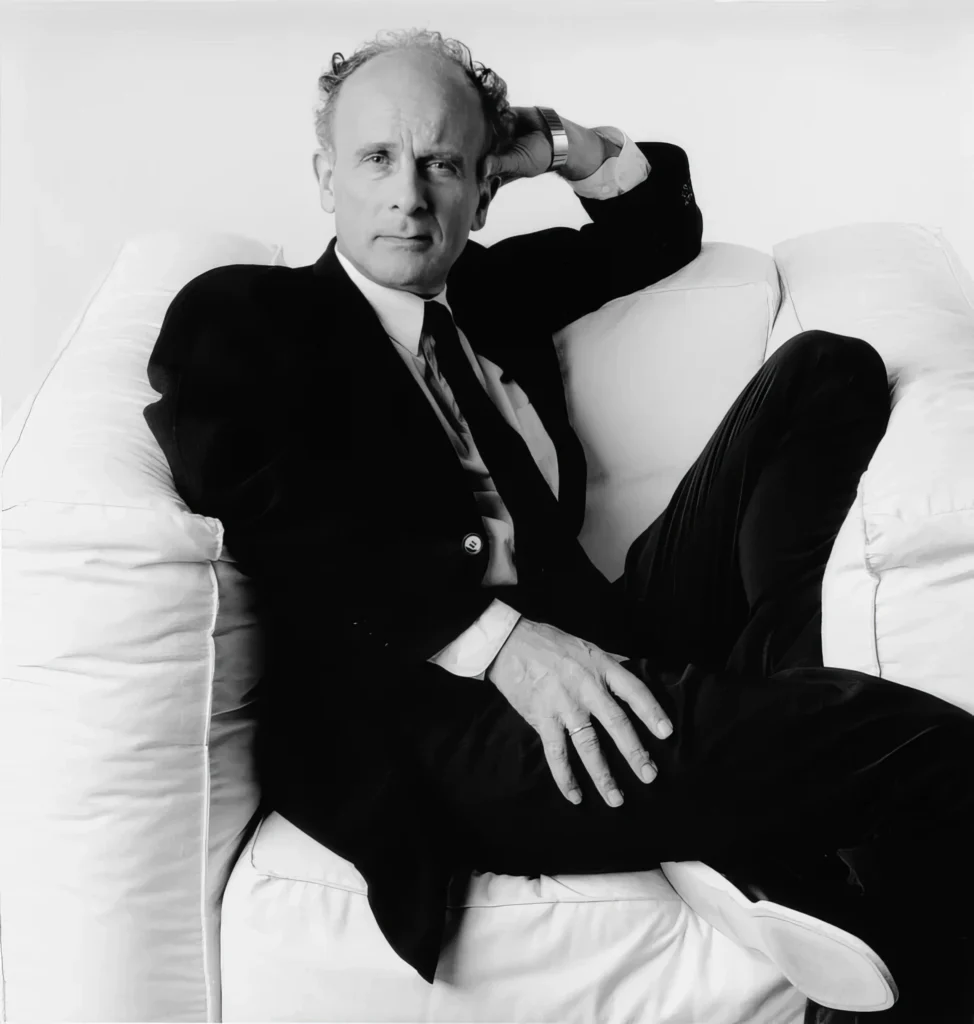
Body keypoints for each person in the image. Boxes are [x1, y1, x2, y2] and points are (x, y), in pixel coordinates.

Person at [143, 29, 974, 1023]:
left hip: (603, 632)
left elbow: (656, 231)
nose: (408, 196)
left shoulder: (483, 293)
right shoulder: (248, 314)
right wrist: (496, 643)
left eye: (441, 163)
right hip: (441, 721)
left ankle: (755, 738)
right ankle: (766, 793)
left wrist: (558, 147)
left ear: (480, 186)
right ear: (325, 176)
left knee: (826, 370)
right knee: (925, 748)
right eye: (375, 159)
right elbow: (268, 507)